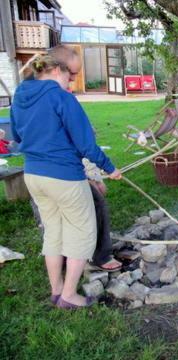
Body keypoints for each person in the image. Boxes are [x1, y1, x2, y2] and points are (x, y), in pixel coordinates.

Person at [11, 54, 122, 309]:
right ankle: (70, 295)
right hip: (64, 177)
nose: (71, 83)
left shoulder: (20, 95)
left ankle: (56, 290)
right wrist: (110, 168)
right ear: (57, 70)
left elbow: (16, 135)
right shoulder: (61, 98)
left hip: (33, 175)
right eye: (69, 76)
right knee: (82, 232)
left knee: (53, 232)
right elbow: (85, 144)